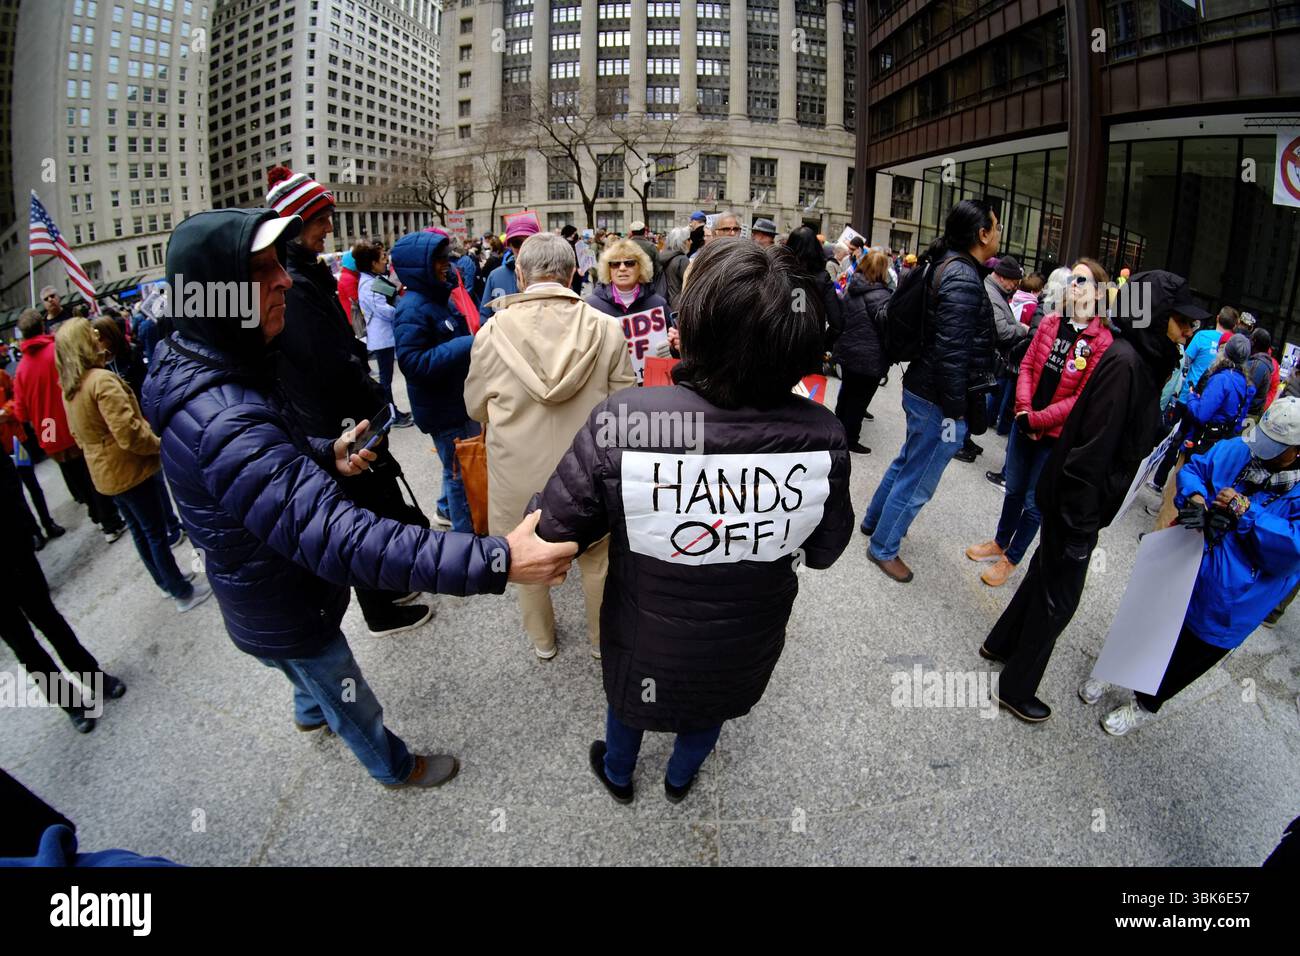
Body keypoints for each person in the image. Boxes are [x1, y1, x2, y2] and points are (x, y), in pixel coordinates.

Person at [141, 207, 577, 789]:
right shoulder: (224, 418)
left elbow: (266, 465)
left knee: (301, 676)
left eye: (280, 264)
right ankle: (392, 765)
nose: (285, 281)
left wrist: (324, 453)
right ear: (216, 296)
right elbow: (336, 534)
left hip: (264, 594)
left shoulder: (218, 368)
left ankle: (307, 712)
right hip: (285, 606)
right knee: (341, 688)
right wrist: (498, 559)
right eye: (261, 271)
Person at [533, 238, 854, 804]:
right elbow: (826, 550)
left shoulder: (629, 420)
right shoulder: (822, 434)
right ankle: (680, 780)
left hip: (643, 627)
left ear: (695, 326)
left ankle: (619, 773)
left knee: (631, 702)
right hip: (748, 634)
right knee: (711, 708)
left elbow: (555, 527)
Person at [982, 270, 1206, 722]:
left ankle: (1000, 645)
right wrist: (1084, 517)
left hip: (1074, 500)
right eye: (1182, 320)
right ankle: (1016, 687)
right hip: (1076, 504)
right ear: (1158, 315)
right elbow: (1092, 452)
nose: (1190, 330)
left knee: (1045, 575)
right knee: (1059, 600)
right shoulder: (1128, 364)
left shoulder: (1138, 359)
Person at [269, 172, 435, 634]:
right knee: (362, 515)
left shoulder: (305, 272)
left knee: (377, 505)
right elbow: (324, 362)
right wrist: (362, 376)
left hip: (346, 417)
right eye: (321, 220)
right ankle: (381, 610)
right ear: (294, 223)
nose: (328, 229)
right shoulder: (296, 283)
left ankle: (392, 584)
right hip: (337, 424)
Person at [1080, 396, 1300, 735]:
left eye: (1278, 447)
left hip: (1231, 601)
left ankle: (1143, 704)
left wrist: (1245, 513)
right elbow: (1197, 468)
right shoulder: (1241, 450)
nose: (1263, 451)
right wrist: (1197, 499)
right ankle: (1113, 670)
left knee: (1185, 658)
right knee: (1146, 622)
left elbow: (1292, 548)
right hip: (1185, 562)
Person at [465, 233, 637, 660]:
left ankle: (543, 641)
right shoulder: (606, 327)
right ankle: (601, 642)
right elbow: (625, 405)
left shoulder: (491, 333)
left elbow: (475, 408)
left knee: (525, 561)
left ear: (520, 275)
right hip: (590, 470)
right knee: (598, 559)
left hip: (517, 473)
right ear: (573, 273)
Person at [862, 199, 999, 583]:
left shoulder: (948, 265)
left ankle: (875, 522)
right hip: (938, 398)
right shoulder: (963, 276)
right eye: (997, 227)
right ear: (982, 234)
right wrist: (957, 414)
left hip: (924, 389)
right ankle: (883, 546)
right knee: (919, 477)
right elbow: (951, 355)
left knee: (908, 461)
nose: (999, 234)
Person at [966, 258, 1115, 587]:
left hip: (1055, 435)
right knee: (1014, 489)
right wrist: (1023, 409)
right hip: (1024, 421)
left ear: (1099, 292)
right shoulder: (1050, 321)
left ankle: (1012, 557)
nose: (1074, 285)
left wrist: (1039, 419)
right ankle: (1000, 541)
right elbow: (1029, 365)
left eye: (1082, 281)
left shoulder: (1102, 342)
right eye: (1073, 279)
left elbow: (1081, 397)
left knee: (1035, 500)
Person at [54, 318, 212, 613]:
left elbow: (77, 434)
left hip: (105, 473)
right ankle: (181, 590)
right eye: (93, 334)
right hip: (130, 470)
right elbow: (129, 434)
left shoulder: (70, 388)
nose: (98, 337)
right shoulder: (100, 381)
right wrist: (160, 445)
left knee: (141, 531)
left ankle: (167, 583)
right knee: (154, 532)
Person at [0, 452, 125, 733]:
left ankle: (93, 678)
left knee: (50, 621)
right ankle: (69, 703)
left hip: (10, 551)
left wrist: (23, 528)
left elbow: (7, 475)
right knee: (24, 646)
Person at [391, 228, 479, 534]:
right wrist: (467, 344)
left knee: (458, 468)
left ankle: (447, 511)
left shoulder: (438, 297)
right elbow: (413, 363)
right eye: (440, 259)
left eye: (447, 256)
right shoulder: (412, 307)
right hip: (444, 411)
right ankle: (467, 543)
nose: (447, 263)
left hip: (456, 402)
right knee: (461, 476)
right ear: (420, 266)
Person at [11, 310, 126, 542]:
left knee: (71, 472)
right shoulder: (56, 352)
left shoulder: (21, 368)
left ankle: (96, 513)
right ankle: (108, 520)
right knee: (89, 471)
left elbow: (21, 411)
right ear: (42, 326)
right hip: (67, 418)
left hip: (47, 428)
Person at [1151, 332, 1255, 530]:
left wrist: (1192, 396)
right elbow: (1240, 421)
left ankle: (1159, 536)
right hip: (1217, 445)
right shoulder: (1246, 384)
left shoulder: (1222, 379)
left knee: (1178, 488)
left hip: (1199, 442)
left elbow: (1201, 413)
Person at [1151, 305, 1238, 494]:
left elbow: (1185, 361)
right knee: (1187, 446)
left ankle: (1158, 480)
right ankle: (1174, 489)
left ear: (1217, 318)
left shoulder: (1202, 337)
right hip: (1207, 407)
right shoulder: (1230, 345)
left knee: (1173, 439)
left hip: (1187, 397)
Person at [962, 256, 1030, 464]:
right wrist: (1022, 329)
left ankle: (963, 440)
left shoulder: (995, 291)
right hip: (978, 356)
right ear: (1002, 277)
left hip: (981, 355)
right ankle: (959, 442)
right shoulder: (992, 293)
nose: (1015, 287)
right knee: (968, 400)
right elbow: (1001, 331)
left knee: (972, 400)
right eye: (1014, 282)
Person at [829, 250, 891, 455]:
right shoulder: (882, 296)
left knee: (847, 393)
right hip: (869, 357)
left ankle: (836, 431)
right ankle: (849, 440)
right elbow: (887, 329)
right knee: (859, 400)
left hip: (848, 352)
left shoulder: (851, 287)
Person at [0, 365, 64, 548]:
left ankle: (48, 523)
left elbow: (16, 399)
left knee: (32, 485)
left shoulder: (2, 376)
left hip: (16, 440)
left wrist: (6, 412)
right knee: (16, 495)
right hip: (5, 448)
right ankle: (34, 532)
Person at [353, 241, 415, 428]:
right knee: (386, 381)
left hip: (386, 336)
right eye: (381, 258)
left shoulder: (372, 279)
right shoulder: (368, 284)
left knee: (387, 379)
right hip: (382, 337)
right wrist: (402, 311)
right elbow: (382, 309)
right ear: (372, 263)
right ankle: (391, 415)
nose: (385, 261)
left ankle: (393, 411)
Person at [585, 238, 671, 361]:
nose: (622, 268)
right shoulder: (592, 306)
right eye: (615, 264)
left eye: (629, 263)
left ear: (640, 267)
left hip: (647, 378)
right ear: (608, 269)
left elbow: (674, 344)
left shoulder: (658, 304)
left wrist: (672, 348)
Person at [785, 225, 843, 353]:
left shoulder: (780, 274)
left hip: (782, 347)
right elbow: (836, 323)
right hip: (811, 349)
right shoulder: (823, 279)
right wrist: (822, 346)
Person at [479, 218, 538, 323]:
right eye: (517, 243)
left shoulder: (550, 277)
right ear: (510, 245)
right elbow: (484, 316)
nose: (523, 248)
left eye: (529, 242)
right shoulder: (495, 276)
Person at [1245, 328, 1278, 423]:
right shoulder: (1261, 362)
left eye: (1251, 339)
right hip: (1251, 414)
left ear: (1254, 341)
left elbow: (1247, 392)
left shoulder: (1258, 365)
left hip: (1247, 415)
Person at [659, 226, 692, 310]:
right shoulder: (682, 259)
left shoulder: (662, 256)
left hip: (665, 302)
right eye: (688, 239)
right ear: (682, 242)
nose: (691, 242)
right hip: (679, 305)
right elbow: (690, 285)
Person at [628, 220, 662, 289]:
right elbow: (658, 267)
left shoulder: (625, 245)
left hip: (629, 283)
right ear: (644, 232)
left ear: (631, 232)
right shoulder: (651, 246)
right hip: (647, 283)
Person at [336, 248, 360, 327]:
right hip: (355, 319)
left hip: (353, 317)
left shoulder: (350, 275)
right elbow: (356, 299)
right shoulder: (348, 278)